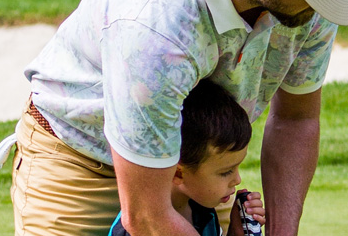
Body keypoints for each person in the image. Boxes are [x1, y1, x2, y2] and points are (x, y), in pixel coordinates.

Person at [8, 0, 348, 235]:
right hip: (83, 159)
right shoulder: (157, 28)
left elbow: (296, 119)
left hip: (197, 164)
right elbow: (145, 216)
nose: (329, 9)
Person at [108, 79, 264, 236]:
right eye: (225, 172)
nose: (237, 180)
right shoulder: (142, 229)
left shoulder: (201, 208)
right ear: (178, 173)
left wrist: (236, 232)